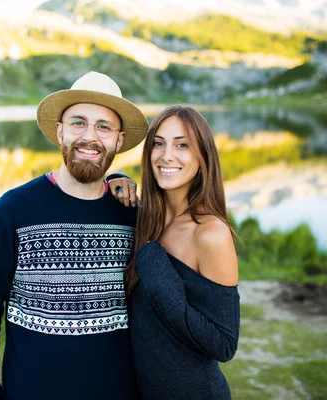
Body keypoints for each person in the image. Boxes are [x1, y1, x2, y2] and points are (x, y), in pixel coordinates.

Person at [0, 71, 148, 400]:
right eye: (78, 123)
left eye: (103, 126)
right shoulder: (14, 210)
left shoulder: (132, 214)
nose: (89, 137)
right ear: (60, 131)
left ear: (118, 140)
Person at [112, 105, 240, 399]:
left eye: (182, 145)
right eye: (159, 143)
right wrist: (115, 179)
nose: (167, 155)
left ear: (202, 156)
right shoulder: (146, 219)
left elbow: (224, 344)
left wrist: (154, 265)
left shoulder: (210, 233)